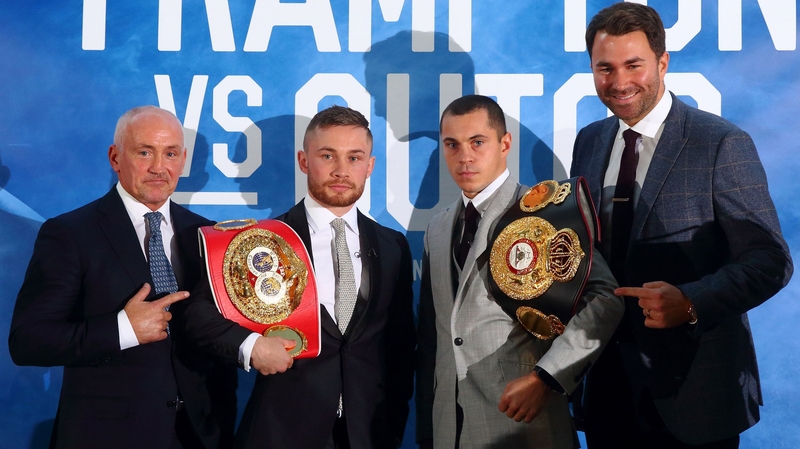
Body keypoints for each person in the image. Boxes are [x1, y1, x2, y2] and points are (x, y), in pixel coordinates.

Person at [570, 3, 794, 448]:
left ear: (663, 62)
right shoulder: (590, 141)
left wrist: (690, 301)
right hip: (606, 392)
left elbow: (770, 260)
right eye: (605, 68)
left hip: (696, 396)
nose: (619, 83)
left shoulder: (721, 143)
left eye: (634, 65)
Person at [182, 105, 416, 449]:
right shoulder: (259, 241)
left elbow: (400, 345)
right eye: (327, 155)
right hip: (283, 430)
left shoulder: (392, 245)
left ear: (370, 166)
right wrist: (251, 346)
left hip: (370, 433)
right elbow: (196, 315)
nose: (341, 170)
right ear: (304, 161)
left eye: (354, 158)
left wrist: (393, 426)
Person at [8, 106, 238, 449]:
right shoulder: (70, 234)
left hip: (200, 434)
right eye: (145, 152)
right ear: (115, 157)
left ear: (183, 160)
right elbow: (29, 341)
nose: (159, 167)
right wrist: (123, 329)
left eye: (170, 153)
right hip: (107, 437)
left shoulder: (208, 235)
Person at [415, 94, 624, 449]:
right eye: (452, 145)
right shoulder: (437, 228)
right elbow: (436, 337)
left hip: (527, 422)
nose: (464, 156)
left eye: (477, 142)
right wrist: (429, 427)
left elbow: (605, 300)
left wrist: (548, 377)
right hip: (450, 427)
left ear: (504, 144)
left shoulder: (546, 211)